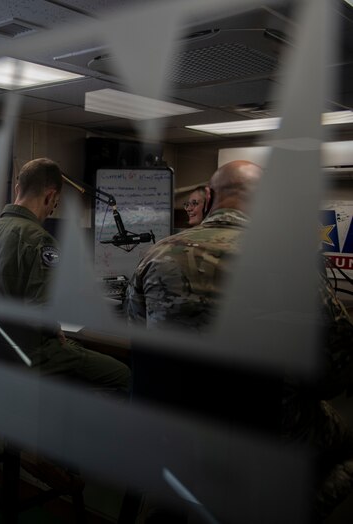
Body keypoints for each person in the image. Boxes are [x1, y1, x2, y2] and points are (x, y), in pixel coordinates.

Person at [124, 160, 353, 521]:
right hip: (261, 431)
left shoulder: (155, 255)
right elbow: (337, 370)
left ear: (209, 196)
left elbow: (136, 333)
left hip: (171, 426)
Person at [0, 157, 131, 396]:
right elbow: (40, 313)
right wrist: (55, 328)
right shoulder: (42, 241)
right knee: (125, 376)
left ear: (18, 189)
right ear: (50, 196)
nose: (52, 210)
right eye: (55, 204)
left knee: (76, 346)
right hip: (28, 351)